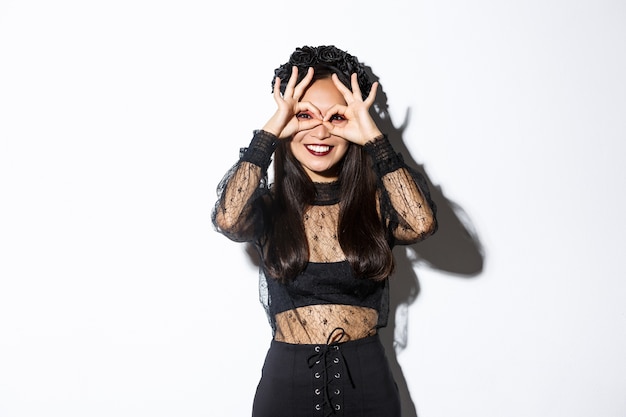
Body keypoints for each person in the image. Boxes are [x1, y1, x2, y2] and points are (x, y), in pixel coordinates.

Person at [212, 45, 437, 417]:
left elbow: (422, 222)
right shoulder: (270, 208)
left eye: (336, 118)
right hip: (285, 389)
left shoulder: (376, 205)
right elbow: (227, 218)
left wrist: (374, 138)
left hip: (367, 386)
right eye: (304, 115)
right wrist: (272, 130)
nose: (320, 131)